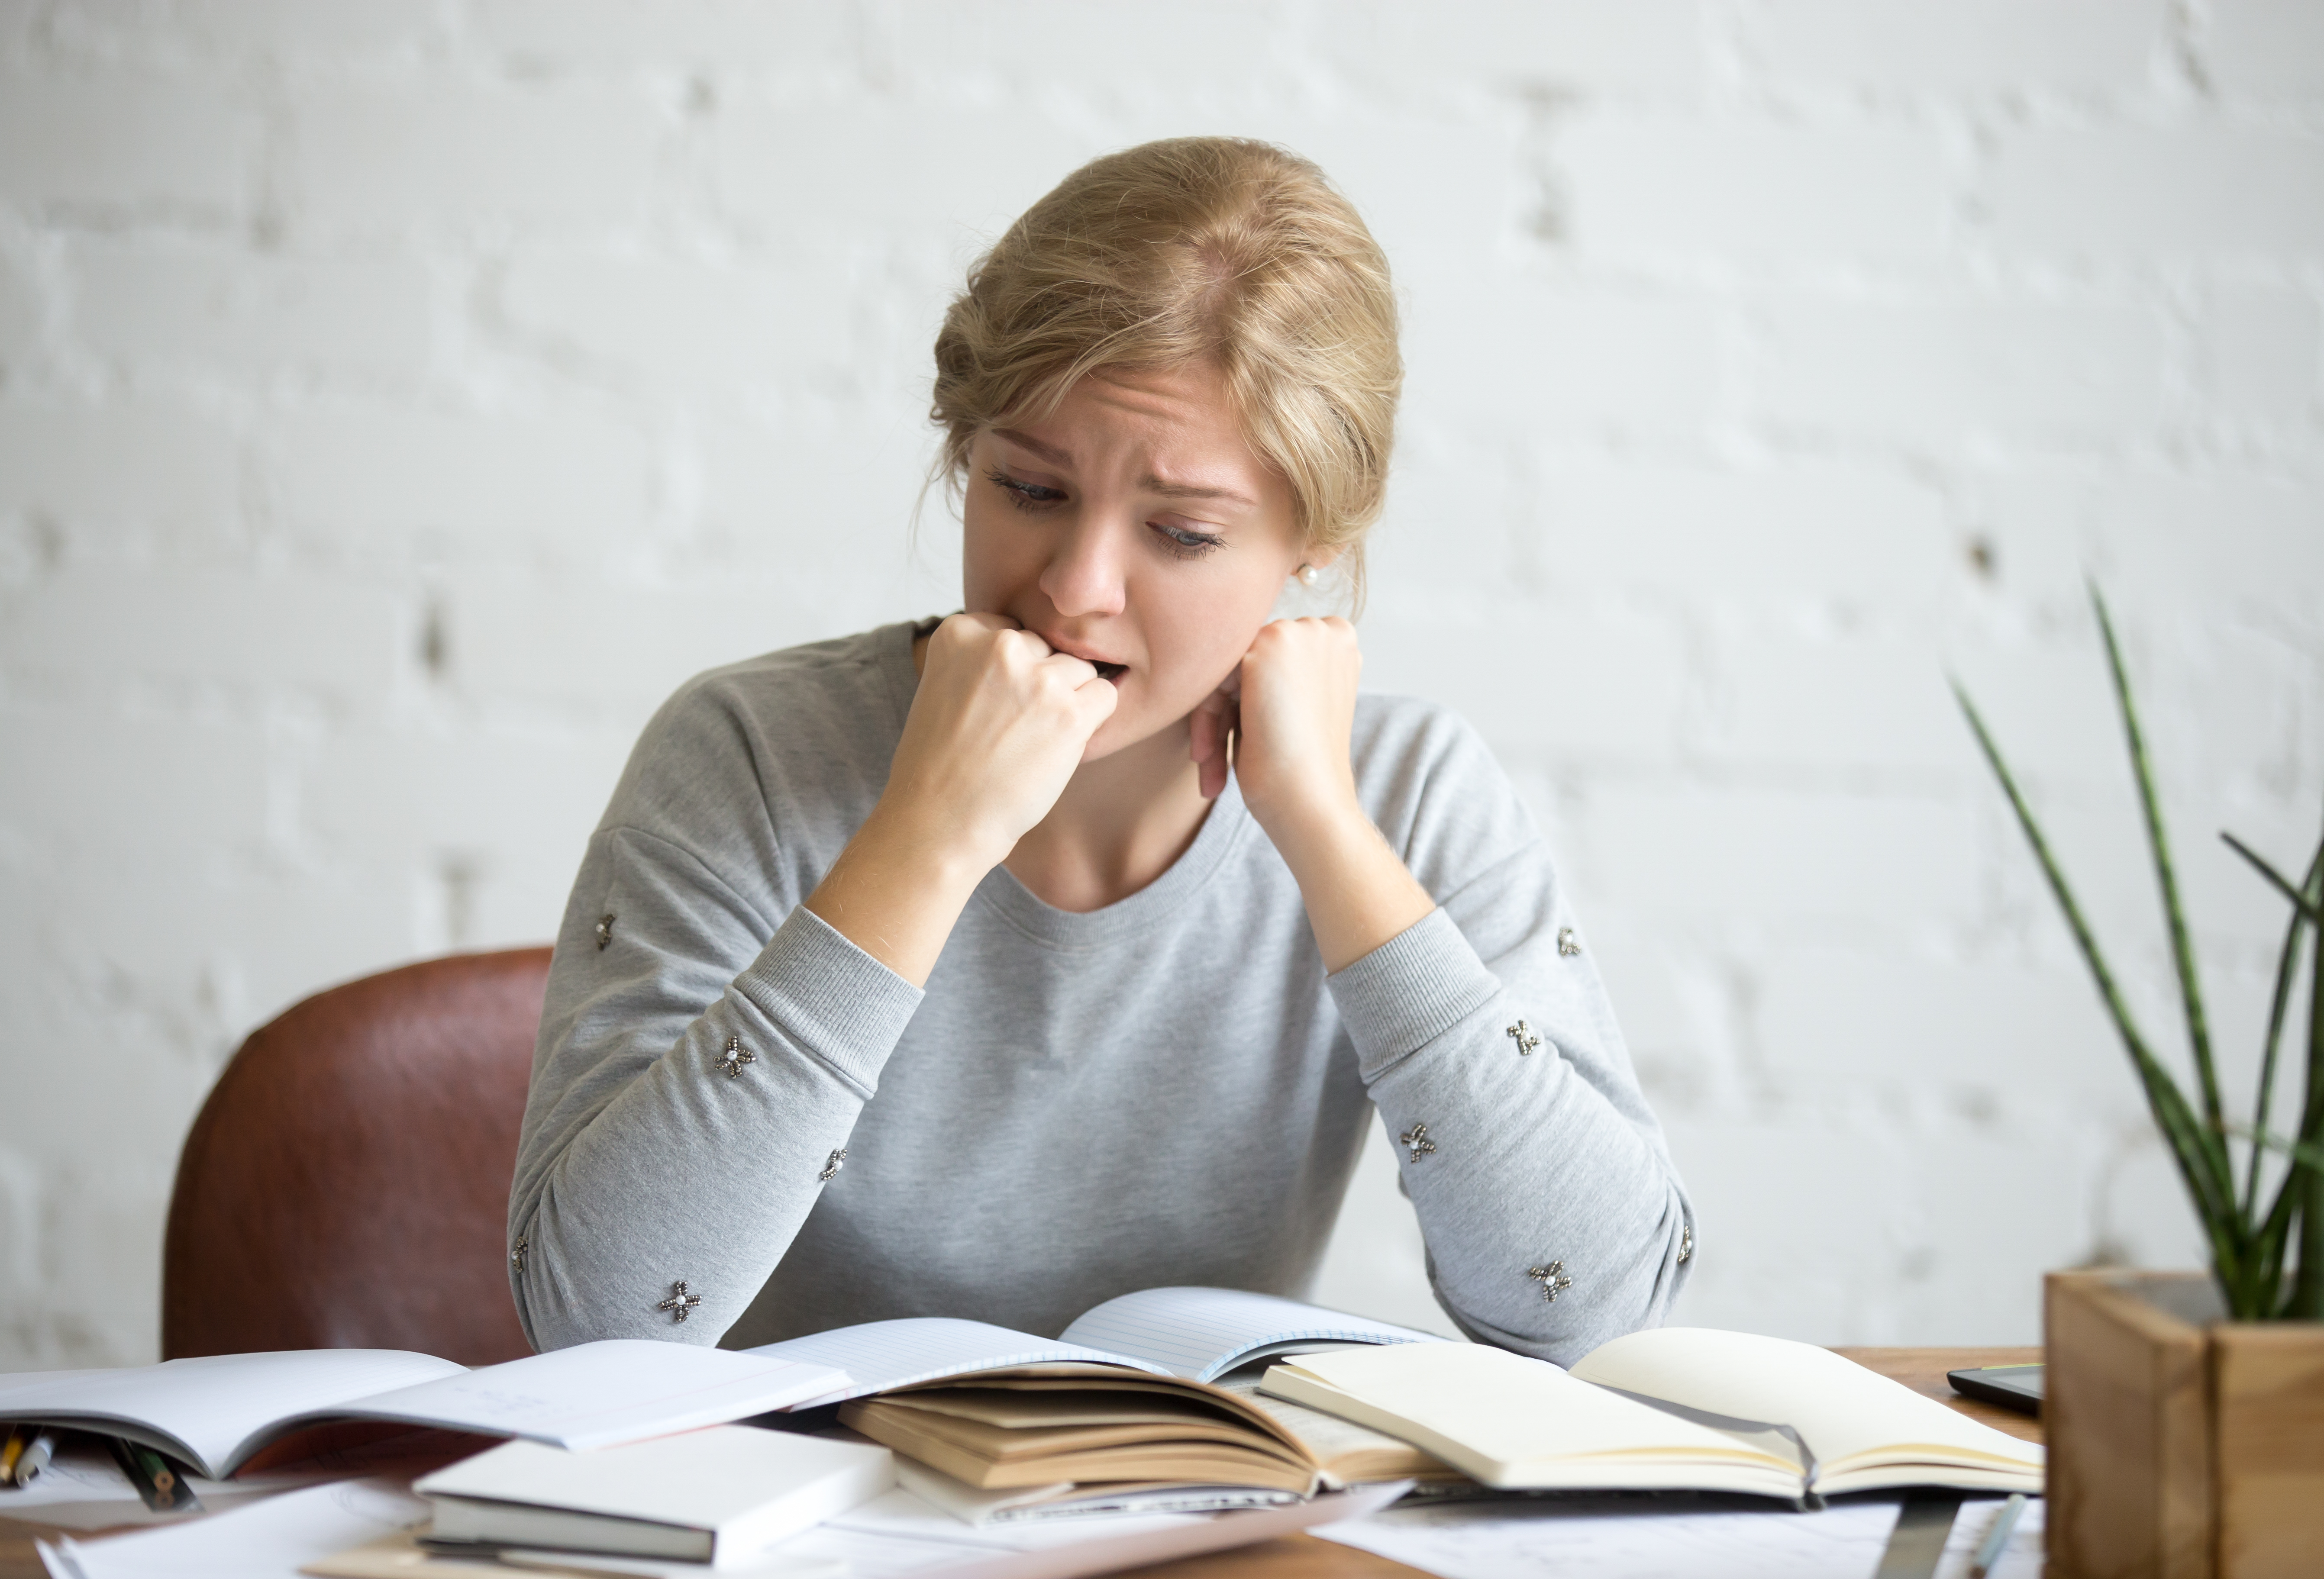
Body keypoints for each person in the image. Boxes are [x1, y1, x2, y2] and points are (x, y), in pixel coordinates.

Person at [507, 136, 1693, 1367]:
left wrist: (1331, 842)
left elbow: (1591, 1304)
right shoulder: (751, 754)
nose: (1074, 591)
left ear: (1316, 541)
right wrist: (925, 838)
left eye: (1180, 532)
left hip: (1208, 1529)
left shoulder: (1410, 795)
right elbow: (594, 1315)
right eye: (1028, 490)